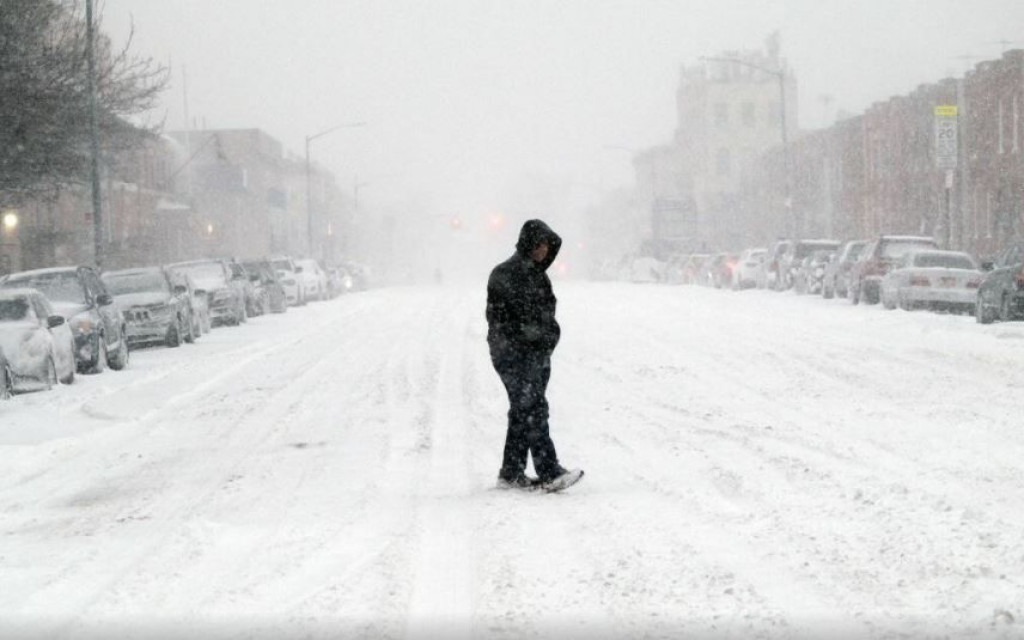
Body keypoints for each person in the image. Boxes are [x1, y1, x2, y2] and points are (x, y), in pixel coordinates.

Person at [486, 219, 583, 492]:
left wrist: (549, 338)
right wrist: (528, 336)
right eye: (540, 244)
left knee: (523, 409)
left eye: (548, 246)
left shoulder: (540, 278)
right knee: (534, 407)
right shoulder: (503, 274)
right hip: (510, 355)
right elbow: (499, 320)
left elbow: (548, 316)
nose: (544, 250)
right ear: (528, 243)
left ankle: (511, 472)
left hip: (536, 355)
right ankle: (549, 471)